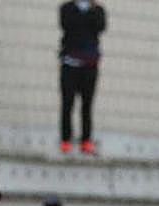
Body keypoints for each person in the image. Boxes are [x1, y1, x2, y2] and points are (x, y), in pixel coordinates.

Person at [59, 0, 106, 155]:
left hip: (89, 65)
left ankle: (86, 140)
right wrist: (83, 17)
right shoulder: (67, 8)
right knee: (67, 102)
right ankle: (66, 139)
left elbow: (100, 27)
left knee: (87, 104)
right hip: (70, 63)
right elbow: (67, 25)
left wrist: (90, 11)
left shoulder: (98, 10)